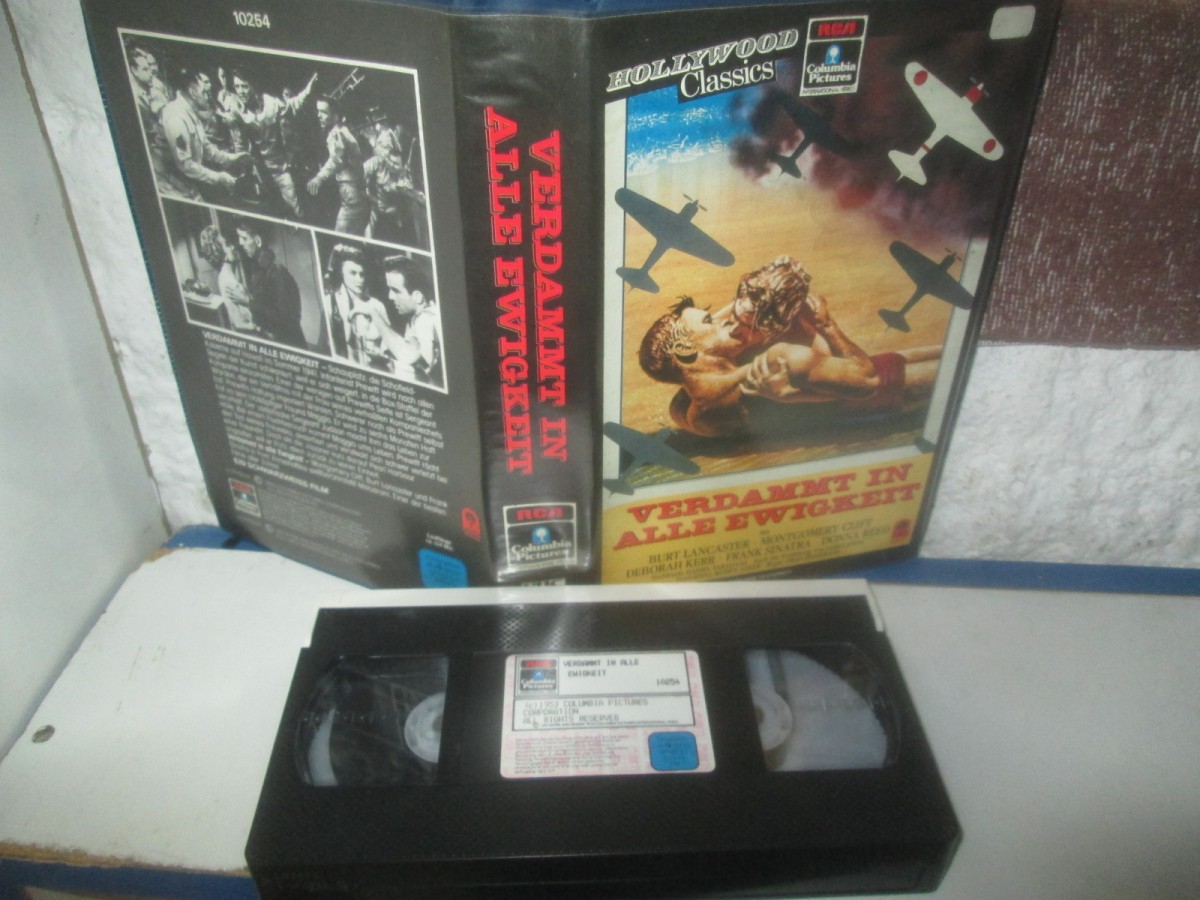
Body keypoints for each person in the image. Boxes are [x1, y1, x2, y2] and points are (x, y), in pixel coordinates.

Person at [639, 256, 939, 437]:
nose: (722, 319)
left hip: (838, 374)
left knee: (946, 355)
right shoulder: (774, 362)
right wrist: (826, 323)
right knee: (958, 370)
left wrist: (768, 284)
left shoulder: (685, 410)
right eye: (709, 320)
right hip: (885, 392)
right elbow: (868, 380)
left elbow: (709, 357)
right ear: (685, 350)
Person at [227, 69, 319, 218]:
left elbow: (292, 106)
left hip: (281, 168)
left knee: (295, 209)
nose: (240, 91)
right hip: (261, 174)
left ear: (253, 86)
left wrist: (308, 90)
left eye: (244, 86)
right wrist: (245, 172)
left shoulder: (271, 103)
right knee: (273, 213)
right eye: (237, 87)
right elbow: (240, 147)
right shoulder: (236, 111)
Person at [159, 65, 249, 201]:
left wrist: (232, 158)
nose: (208, 97)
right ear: (193, 92)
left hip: (188, 182)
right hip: (172, 186)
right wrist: (218, 177)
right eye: (204, 92)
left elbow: (206, 148)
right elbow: (184, 164)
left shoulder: (190, 112)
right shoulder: (176, 117)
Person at [235, 220, 307, 349]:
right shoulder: (258, 269)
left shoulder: (276, 271)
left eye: (244, 238)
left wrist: (249, 302)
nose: (240, 243)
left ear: (258, 241)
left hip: (289, 344)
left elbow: (285, 317)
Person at [323, 244, 393, 370]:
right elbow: (326, 345)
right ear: (342, 274)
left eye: (362, 274)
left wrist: (382, 354)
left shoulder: (377, 306)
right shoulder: (330, 303)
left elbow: (389, 345)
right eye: (353, 273)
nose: (359, 279)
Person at [307, 96, 368, 235]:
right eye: (318, 111)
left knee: (341, 238)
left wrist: (319, 178)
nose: (319, 116)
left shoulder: (337, 133)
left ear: (335, 116)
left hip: (352, 195)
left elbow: (336, 160)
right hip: (355, 194)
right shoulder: (342, 131)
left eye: (323, 112)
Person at [383, 255, 442, 386]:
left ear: (417, 297)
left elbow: (423, 367)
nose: (390, 296)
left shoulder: (425, 319)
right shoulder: (416, 319)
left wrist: (374, 314)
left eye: (396, 291)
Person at [363, 128, 425, 246]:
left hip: (400, 212)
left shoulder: (401, 168)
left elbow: (407, 189)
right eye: (390, 162)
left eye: (395, 163)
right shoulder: (376, 163)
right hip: (381, 211)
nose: (392, 164)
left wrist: (415, 196)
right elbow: (362, 174)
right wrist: (370, 195)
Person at [198, 225, 255, 332]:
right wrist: (259, 327)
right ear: (221, 253)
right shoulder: (228, 280)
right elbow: (239, 323)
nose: (233, 247)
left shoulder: (227, 276)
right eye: (228, 245)